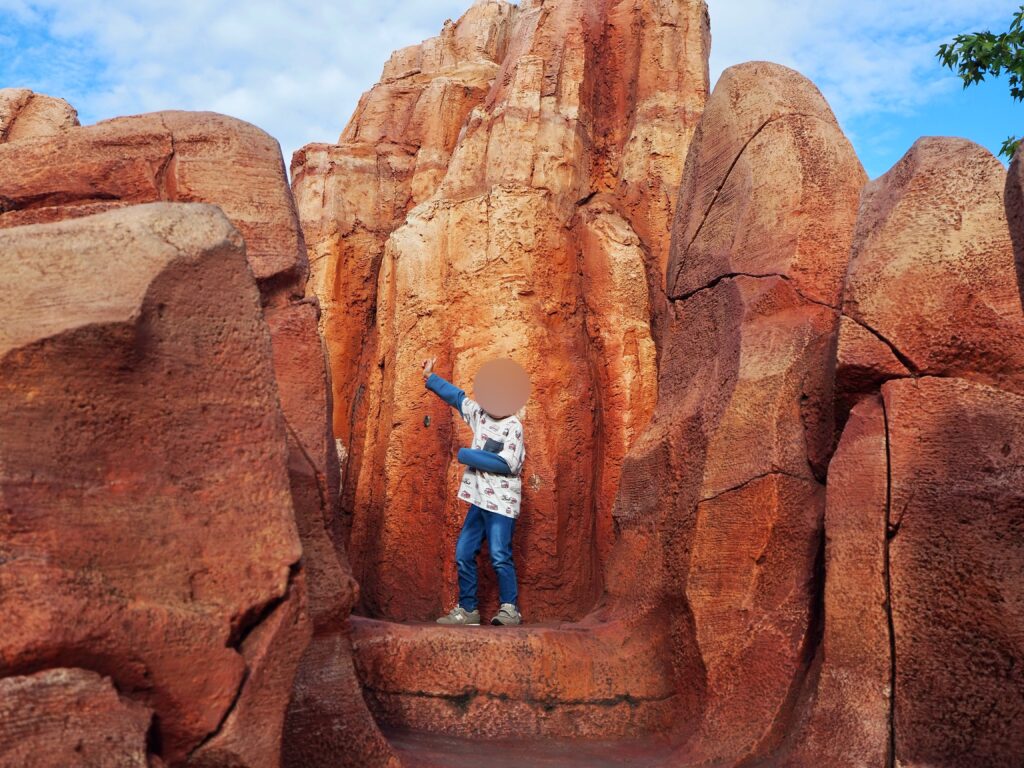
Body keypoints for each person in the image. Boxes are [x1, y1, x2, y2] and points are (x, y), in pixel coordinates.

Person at [422, 356, 529, 626]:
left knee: (499, 554)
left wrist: (468, 455)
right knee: (463, 552)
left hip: (502, 505)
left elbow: (507, 463)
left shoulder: (513, 426)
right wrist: (431, 378)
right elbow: (458, 398)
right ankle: (468, 610)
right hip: (479, 501)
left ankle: (510, 609)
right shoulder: (480, 414)